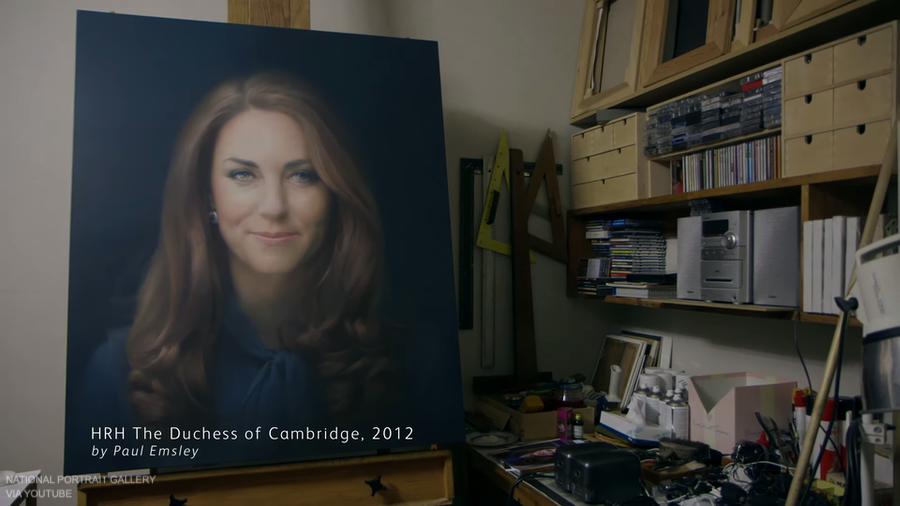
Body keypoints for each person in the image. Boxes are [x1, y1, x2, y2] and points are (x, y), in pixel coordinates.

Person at [72, 73, 408, 467]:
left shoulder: (414, 362)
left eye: (302, 174)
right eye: (243, 175)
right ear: (206, 194)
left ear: (336, 192)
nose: (273, 207)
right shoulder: (116, 372)